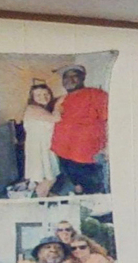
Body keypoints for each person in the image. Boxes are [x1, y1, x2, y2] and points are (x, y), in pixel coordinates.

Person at [48, 65, 110, 195]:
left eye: (74, 76)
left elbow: (110, 121)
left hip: (87, 155)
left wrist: (108, 147)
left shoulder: (96, 94)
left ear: (83, 78)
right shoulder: (61, 99)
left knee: (93, 192)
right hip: (63, 153)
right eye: (65, 77)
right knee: (76, 184)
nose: (69, 80)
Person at [20, 80, 60, 194]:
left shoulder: (43, 109)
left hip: (45, 147)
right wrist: (58, 104)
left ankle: (43, 196)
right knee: (50, 178)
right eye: (38, 95)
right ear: (32, 97)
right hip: (39, 148)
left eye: (46, 94)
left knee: (47, 177)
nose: (44, 97)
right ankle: (40, 199)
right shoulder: (32, 108)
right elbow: (56, 119)